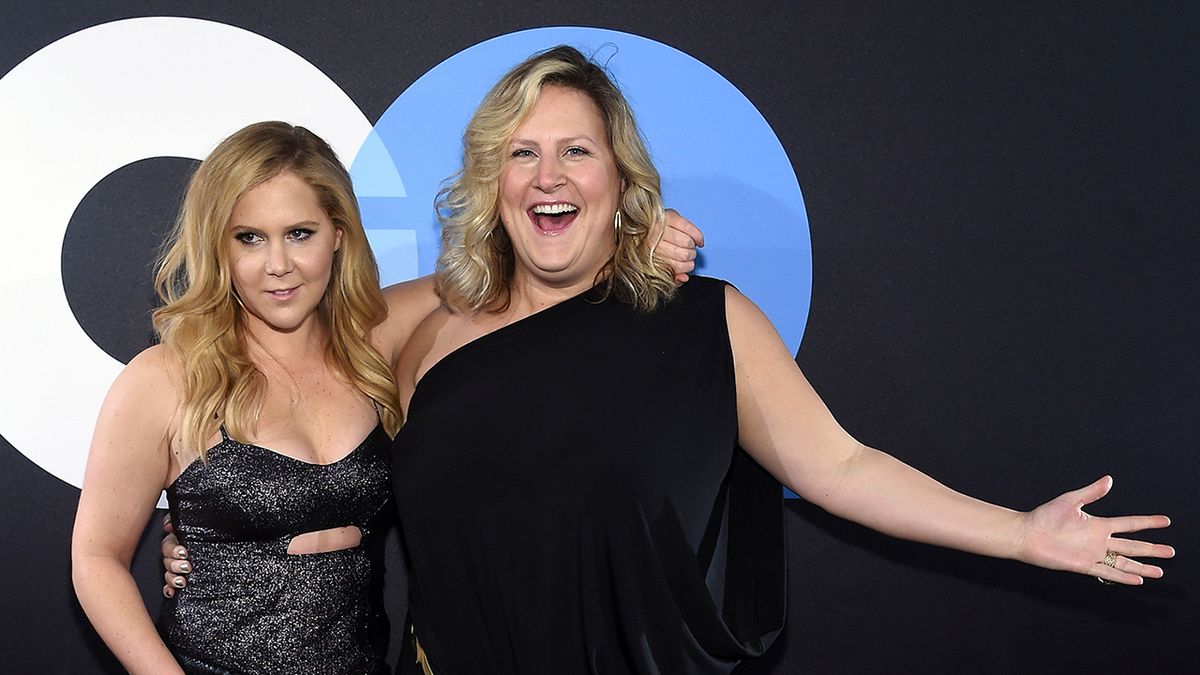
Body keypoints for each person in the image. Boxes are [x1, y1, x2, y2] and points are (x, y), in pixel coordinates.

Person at [382, 46, 1175, 674]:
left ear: (621, 180)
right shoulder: (430, 328)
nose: (548, 176)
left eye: (576, 151)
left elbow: (843, 467)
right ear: (492, 180)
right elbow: (309, 329)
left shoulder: (704, 324)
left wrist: (1021, 533)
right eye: (522, 152)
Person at [72, 119, 702, 674]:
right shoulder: (167, 379)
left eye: (299, 233)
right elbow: (96, 558)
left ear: (338, 234)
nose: (278, 264)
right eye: (249, 238)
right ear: (218, 245)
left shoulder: (373, 341)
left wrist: (629, 238)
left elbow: (520, 270)